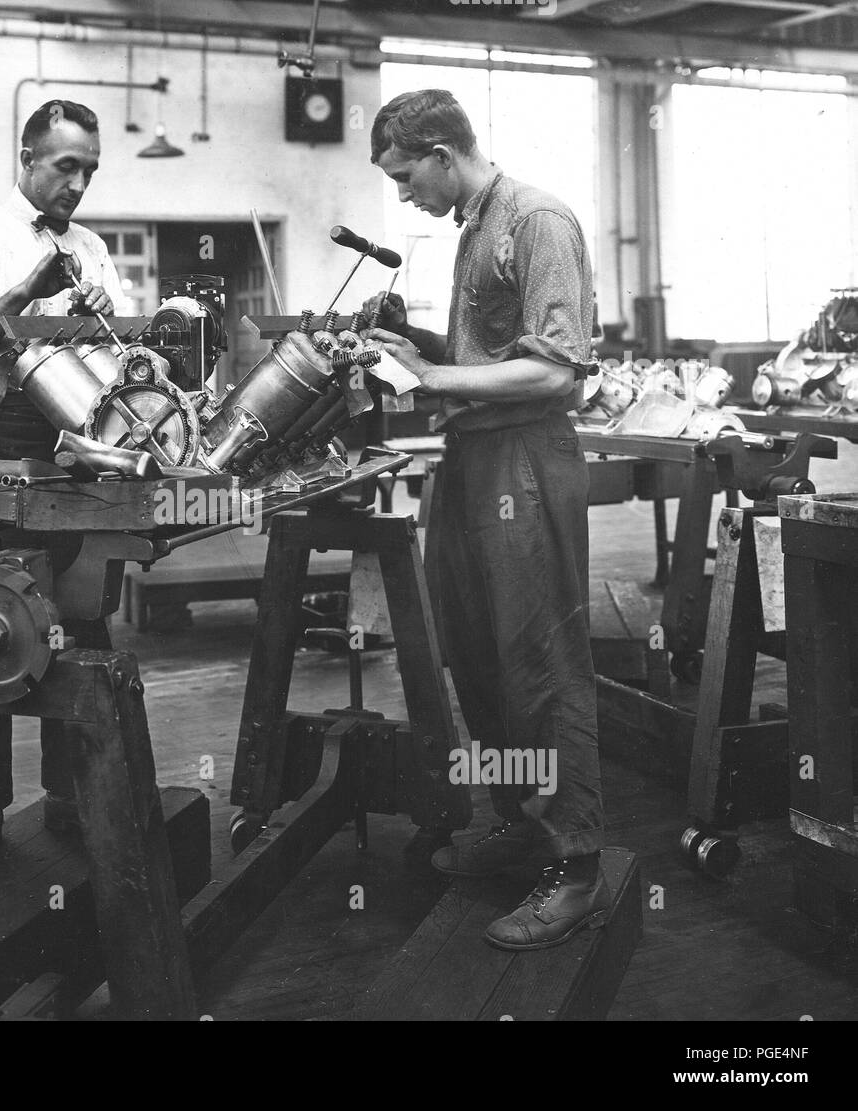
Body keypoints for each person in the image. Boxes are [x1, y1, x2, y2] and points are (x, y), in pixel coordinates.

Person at [362, 89, 609, 950]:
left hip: (526, 463)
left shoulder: (539, 220)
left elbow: (553, 374)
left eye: (404, 177)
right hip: (470, 463)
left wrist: (427, 381)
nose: (403, 197)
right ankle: (519, 824)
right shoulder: (474, 223)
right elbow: (485, 360)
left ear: (439, 150)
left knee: (538, 657)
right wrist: (417, 341)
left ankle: (575, 864)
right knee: (473, 652)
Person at [0, 99, 127, 859]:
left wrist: (105, 318)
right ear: (28, 157)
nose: (77, 184)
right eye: (65, 166)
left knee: (82, 617)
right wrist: (26, 294)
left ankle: (75, 797)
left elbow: (118, 367)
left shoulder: (96, 249)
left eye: (89, 171)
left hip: (75, 443)